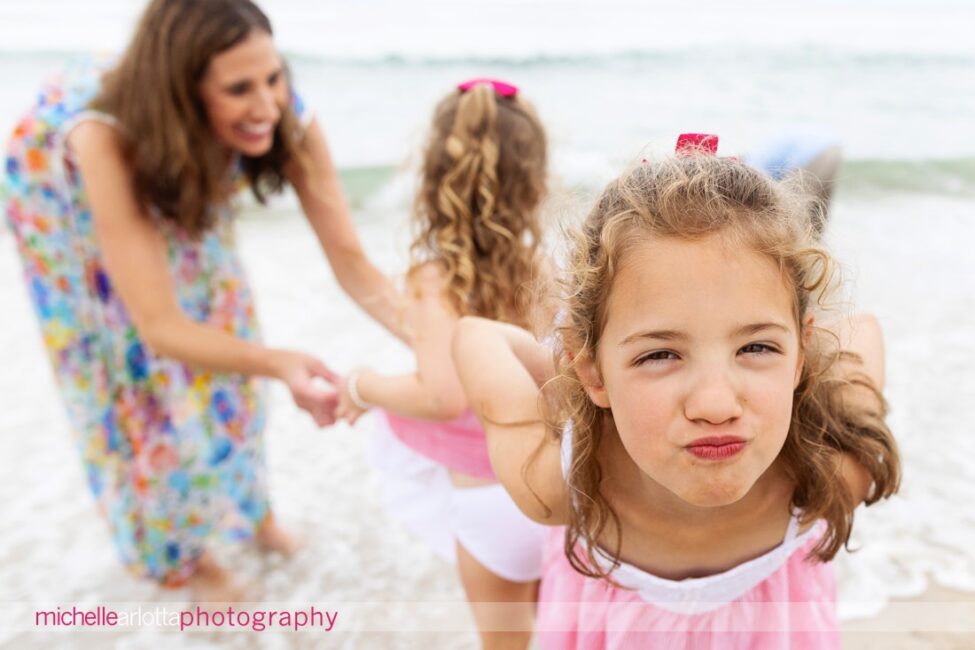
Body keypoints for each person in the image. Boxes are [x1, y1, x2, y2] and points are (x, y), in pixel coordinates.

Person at [3, 0, 402, 602]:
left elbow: (351, 261)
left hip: (178, 154)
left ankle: (251, 513)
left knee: (222, 316)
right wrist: (279, 362)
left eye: (273, 76)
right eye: (239, 88)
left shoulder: (281, 111)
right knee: (129, 369)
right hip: (59, 198)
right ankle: (186, 558)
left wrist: (440, 341)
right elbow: (160, 327)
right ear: (185, 94)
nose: (267, 104)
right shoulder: (101, 132)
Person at [451, 146, 900, 647]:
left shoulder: (834, 469)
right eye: (659, 355)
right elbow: (473, 335)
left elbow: (479, 336)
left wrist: (598, 372)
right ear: (593, 371)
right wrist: (577, 376)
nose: (715, 404)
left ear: (799, 355)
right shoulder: (558, 484)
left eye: (757, 345)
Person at [336, 79, 549, 650]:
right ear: (534, 179)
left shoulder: (438, 280)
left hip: (489, 501)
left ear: (433, 180)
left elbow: (442, 395)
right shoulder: (546, 270)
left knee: (504, 642)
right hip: (552, 490)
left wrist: (362, 386)